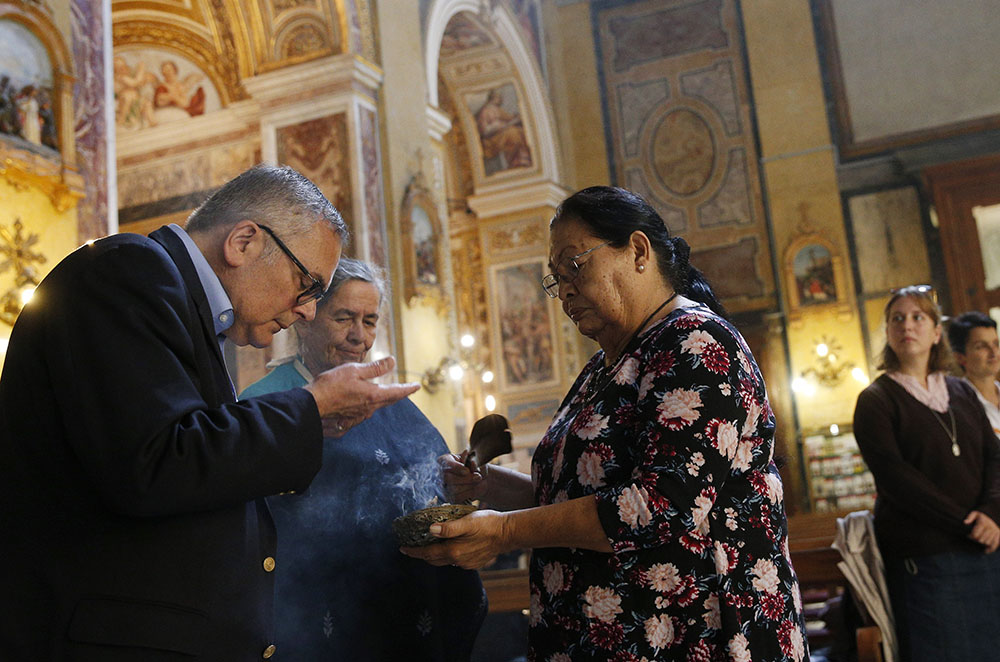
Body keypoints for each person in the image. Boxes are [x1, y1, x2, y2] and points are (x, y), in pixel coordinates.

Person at [0, 164, 419, 659]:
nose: (307, 310)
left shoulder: (185, 306)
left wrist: (311, 418)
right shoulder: (127, 271)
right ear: (244, 242)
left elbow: (193, 450)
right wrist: (309, 408)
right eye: (307, 284)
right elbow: (156, 459)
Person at [405, 186, 808, 661]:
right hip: (604, 635)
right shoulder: (603, 367)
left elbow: (661, 505)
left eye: (575, 265)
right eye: (556, 279)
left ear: (637, 251)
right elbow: (576, 500)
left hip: (692, 633)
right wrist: (485, 487)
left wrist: (504, 532)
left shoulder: (697, 344)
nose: (565, 291)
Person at [240, 257, 487, 660]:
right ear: (307, 318)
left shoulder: (388, 400)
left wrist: (454, 478)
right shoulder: (266, 401)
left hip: (410, 606)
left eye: (370, 321)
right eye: (344, 318)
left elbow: (433, 477)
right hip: (312, 613)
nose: (359, 336)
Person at [852, 285, 1000, 662]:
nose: (908, 325)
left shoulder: (961, 393)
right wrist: (968, 522)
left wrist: (992, 514)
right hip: (926, 556)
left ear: (937, 333)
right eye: (897, 319)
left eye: (919, 317)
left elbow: (993, 459)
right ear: (888, 332)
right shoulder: (877, 400)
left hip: (985, 549)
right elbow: (898, 480)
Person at [947, 310, 1000, 437]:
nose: (993, 352)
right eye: (981, 346)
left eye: (996, 344)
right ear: (960, 357)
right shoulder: (958, 406)